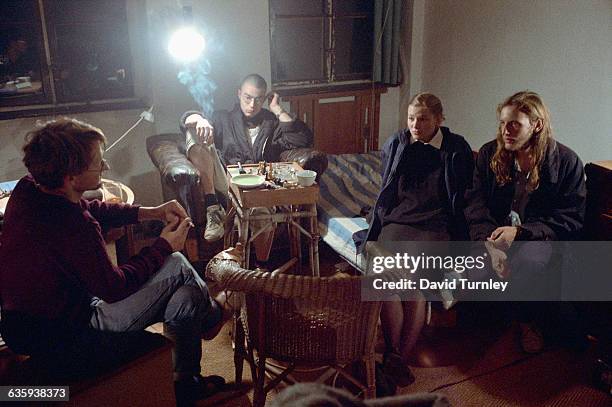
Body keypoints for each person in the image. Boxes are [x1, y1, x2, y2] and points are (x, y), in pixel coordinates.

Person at [0, 118, 228, 406]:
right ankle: (212, 317)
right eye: (99, 163)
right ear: (72, 176)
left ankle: (185, 382)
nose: (105, 167)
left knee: (186, 294)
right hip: (72, 332)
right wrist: (163, 246)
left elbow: (91, 206)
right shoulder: (74, 225)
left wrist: (149, 212)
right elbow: (114, 288)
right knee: (179, 265)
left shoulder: (29, 188)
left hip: (22, 325)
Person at [360, 93, 474, 386]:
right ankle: (395, 357)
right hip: (398, 222)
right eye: (411, 117)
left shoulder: (456, 148)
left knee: (414, 283)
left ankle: (395, 356)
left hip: (434, 226)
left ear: (439, 119)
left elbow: (462, 196)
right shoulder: (398, 142)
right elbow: (387, 186)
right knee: (384, 280)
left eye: (422, 118)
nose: (415, 124)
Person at [464, 90, 587, 353]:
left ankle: (527, 322)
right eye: (503, 123)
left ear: (536, 125)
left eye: (514, 124)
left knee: (529, 260)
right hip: (494, 234)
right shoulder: (489, 154)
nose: (506, 130)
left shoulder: (566, 162)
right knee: (474, 267)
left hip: (538, 238)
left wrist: (519, 233)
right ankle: (492, 319)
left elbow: (569, 220)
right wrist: (489, 242)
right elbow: (475, 204)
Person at [179, 73, 313, 268]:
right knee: (193, 131)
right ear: (239, 94)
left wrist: (277, 109)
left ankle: (261, 266)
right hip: (226, 182)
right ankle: (213, 208)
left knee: (261, 211)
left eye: (258, 99)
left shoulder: (271, 122)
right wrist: (199, 119)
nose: (252, 104)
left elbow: (302, 139)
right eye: (248, 98)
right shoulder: (222, 117)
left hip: (258, 186)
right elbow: (185, 119)